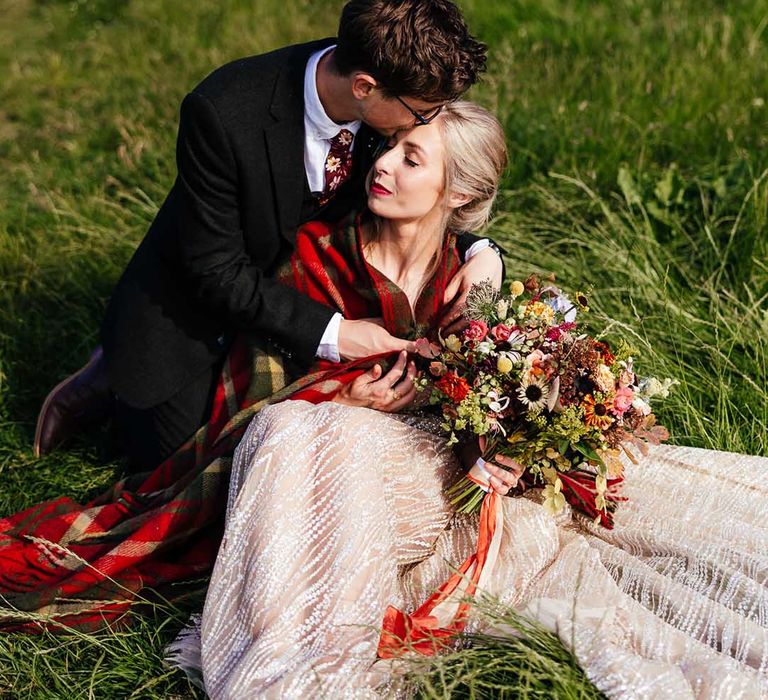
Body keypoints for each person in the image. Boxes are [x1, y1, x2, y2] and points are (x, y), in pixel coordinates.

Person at [163, 102, 768, 698]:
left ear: (453, 193)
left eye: (412, 159)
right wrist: (344, 395)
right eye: (392, 145)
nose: (385, 164)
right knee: (289, 427)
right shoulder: (317, 250)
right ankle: (297, 648)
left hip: (433, 460)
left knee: (312, 433)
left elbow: (492, 396)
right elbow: (254, 380)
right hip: (331, 447)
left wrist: (508, 441)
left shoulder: (470, 275)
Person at [33, 0, 505, 470]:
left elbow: (417, 201)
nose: (423, 124)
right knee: (183, 469)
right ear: (364, 88)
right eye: (422, 113)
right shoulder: (223, 112)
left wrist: (483, 251)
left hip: (300, 285)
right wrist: (337, 334)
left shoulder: (386, 102)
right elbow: (215, 271)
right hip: (196, 309)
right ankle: (100, 378)